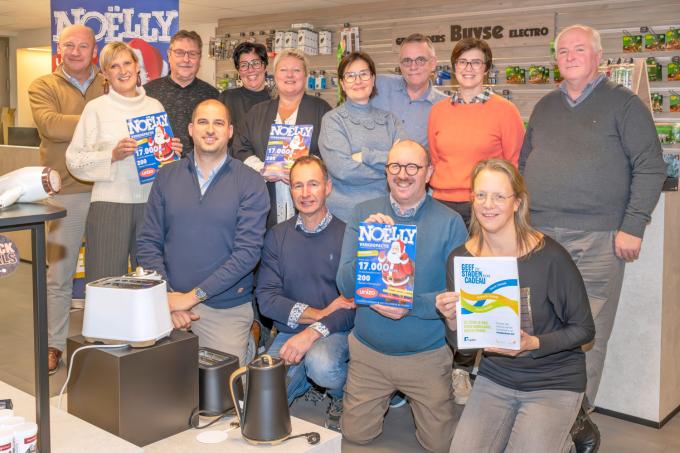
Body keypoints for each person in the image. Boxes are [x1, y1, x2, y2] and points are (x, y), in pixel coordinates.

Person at [519, 24, 665, 451]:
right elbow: (524, 165)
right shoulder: (545, 105)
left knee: (587, 332)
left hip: (598, 239)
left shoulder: (625, 104)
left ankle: (573, 421)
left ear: (599, 56)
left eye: (579, 49)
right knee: (537, 323)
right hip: (540, 236)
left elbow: (650, 166)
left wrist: (633, 225)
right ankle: (539, 410)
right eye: (563, 50)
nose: (569, 56)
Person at [437, 158, 595, 453]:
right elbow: (465, 348)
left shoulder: (550, 256)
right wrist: (452, 320)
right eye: (481, 195)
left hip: (553, 379)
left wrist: (532, 343)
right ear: (472, 199)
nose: (488, 205)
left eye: (499, 196)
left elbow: (584, 329)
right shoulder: (462, 259)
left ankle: (572, 428)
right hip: (496, 376)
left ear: (517, 203)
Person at [337, 140, 467, 453]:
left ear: (429, 173)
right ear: (386, 172)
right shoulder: (364, 214)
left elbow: (458, 296)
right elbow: (345, 285)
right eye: (395, 166)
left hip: (425, 354)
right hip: (370, 353)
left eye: (413, 167)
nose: (403, 174)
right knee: (355, 435)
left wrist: (409, 305)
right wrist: (370, 247)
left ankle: (442, 388)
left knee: (441, 445)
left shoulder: (450, 222)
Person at [137, 99, 269, 365]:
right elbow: (148, 242)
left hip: (224, 306)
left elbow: (247, 254)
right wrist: (166, 296)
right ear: (190, 129)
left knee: (222, 385)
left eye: (218, 123)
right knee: (149, 379)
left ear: (230, 131)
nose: (210, 130)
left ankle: (248, 342)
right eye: (203, 122)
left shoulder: (250, 182)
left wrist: (190, 298)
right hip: (167, 298)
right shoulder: (167, 176)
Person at [65, 41, 180, 283]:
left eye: (127, 63)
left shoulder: (154, 106)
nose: (123, 70)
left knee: (152, 281)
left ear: (137, 67)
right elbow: (74, 161)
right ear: (105, 74)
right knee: (104, 281)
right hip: (109, 205)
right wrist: (112, 155)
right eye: (114, 66)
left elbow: (163, 162)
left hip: (151, 205)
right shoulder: (96, 109)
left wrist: (172, 153)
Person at [28, 24, 105, 374]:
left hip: (108, 191)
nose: (75, 51)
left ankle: (106, 341)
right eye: (69, 45)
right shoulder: (43, 85)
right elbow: (51, 126)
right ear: (60, 49)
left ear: (94, 50)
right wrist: (101, 120)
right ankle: (53, 345)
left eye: (83, 46)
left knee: (107, 275)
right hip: (66, 194)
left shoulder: (108, 82)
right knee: (59, 277)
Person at [256, 156, 354, 431]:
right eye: (298, 185)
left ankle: (341, 394)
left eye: (313, 184)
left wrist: (314, 330)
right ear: (291, 190)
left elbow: (353, 306)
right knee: (258, 398)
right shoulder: (277, 236)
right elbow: (266, 298)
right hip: (290, 331)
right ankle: (305, 380)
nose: (305, 193)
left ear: (328, 187)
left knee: (321, 364)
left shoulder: (349, 236)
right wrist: (319, 314)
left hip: (336, 332)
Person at [428, 38, 524, 226]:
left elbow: (514, 164)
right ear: (455, 67)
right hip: (441, 205)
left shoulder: (506, 111)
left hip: (486, 206)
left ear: (486, 69)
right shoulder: (438, 111)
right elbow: (436, 159)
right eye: (462, 62)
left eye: (476, 62)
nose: (468, 68)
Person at [233, 49, 331, 227]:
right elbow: (240, 149)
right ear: (275, 75)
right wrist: (263, 169)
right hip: (264, 202)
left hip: (308, 200)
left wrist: (303, 168)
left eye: (296, 70)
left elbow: (330, 151)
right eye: (283, 70)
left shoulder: (321, 110)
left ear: (306, 75)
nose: (290, 75)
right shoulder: (257, 112)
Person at [319, 51, 406, 222]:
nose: (358, 81)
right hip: (344, 217)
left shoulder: (390, 120)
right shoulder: (332, 120)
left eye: (364, 74)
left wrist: (365, 156)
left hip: (387, 214)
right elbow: (343, 170)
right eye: (350, 76)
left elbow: (405, 161)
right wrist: (390, 167)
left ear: (373, 79)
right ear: (342, 84)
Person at [145, 30, 219, 157]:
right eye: (179, 53)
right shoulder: (147, 93)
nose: (186, 59)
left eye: (192, 54)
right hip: (160, 167)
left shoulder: (213, 96)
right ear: (169, 55)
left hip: (203, 167)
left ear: (200, 58)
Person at [371, 33, 447, 150]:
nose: (413, 67)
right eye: (407, 60)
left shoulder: (444, 106)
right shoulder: (378, 85)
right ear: (400, 65)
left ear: (433, 63)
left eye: (420, 60)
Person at [219, 41, 271, 137]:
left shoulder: (276, 100)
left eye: (255, 63)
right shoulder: (227, 99)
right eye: (244, 65)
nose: (250, 70)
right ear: (238, 70)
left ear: (264, 66)